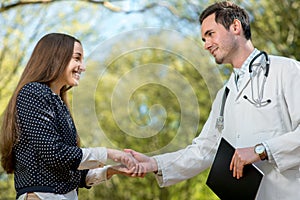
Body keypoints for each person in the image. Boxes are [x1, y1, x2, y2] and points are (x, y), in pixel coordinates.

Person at [125, 1, 300, 199]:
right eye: (203, 39)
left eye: (210, 34)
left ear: (235, 27)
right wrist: (154, 163)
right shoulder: (224, 95)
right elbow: (204, 149)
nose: (206, 45)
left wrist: (262, 150)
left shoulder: (287, 70)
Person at [0, 33, 140, 200]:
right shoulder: (33, 93)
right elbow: (54, 153)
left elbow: (69, 171)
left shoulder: (57, 102)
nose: (83, 67)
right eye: (77, 58)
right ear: (56, 57)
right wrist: (110, 153)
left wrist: (111, 170)